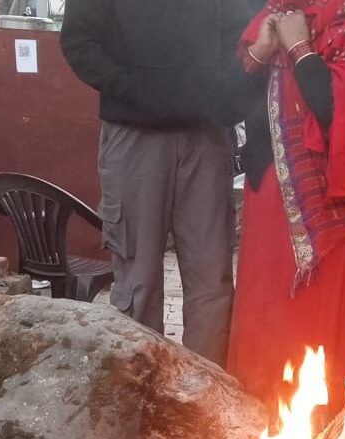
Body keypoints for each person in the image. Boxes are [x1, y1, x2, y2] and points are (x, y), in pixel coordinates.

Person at [226, 0, 345, 418]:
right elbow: (226, 105)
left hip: (334, 213)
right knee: (265, 325)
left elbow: (343, 114)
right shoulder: (270, 16)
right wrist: (259, 53)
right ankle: (258, 431)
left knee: (322, 337)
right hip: (268, 205)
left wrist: (300, 49)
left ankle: (328, 436)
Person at [60, 1, 250, 365]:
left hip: (207, 134)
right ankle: (143, 392)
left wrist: (221, 95)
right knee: (139, 285)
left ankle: (205, 394)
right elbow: (79, 40)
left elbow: (242, 31)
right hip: (135, 132)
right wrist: (133, 90)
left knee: (212, 285)